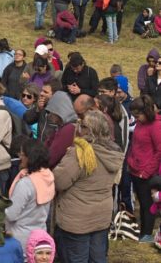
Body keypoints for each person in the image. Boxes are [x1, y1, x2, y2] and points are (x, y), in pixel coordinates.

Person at [53, 109, 124, 262]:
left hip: (77, 219)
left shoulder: (80, 153)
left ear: (88, 130)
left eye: (81, 125)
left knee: (77, 258)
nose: (78, 127)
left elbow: (59, 181)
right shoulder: (113, 152)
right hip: (101, 216)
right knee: (97, 258)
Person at [5, 140, 54, 252]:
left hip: (20, 241)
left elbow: (11, 215)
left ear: (30, 158)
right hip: (40, 237)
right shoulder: (48, 177)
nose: (19, 157)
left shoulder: (25, 184)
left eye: (22, 154)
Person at [126, 95, 161, 242]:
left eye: (138, 115)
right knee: (141, 201)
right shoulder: (141, 123)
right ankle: (143, 230)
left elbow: (159, 151)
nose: (136, 118)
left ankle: (147, 233)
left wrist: (147, 171)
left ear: (146, 111)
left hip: (146, 173)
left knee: (147, 204)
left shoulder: (156, 126)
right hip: (135, 169)